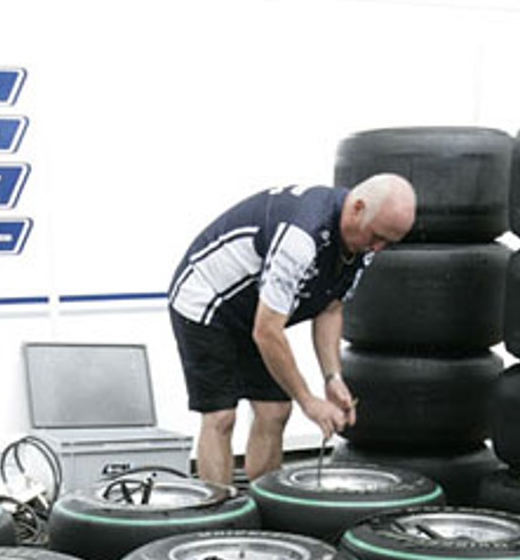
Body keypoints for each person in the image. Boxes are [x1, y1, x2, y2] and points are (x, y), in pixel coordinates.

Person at [169, 175, 417, 487]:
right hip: (205, 299)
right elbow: (268, 331)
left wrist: (332, 378)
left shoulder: (363, 242)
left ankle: (264, 504)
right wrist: (308, 401)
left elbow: (330, 308)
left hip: (254, 311)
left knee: (275, 410)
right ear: (357, 208)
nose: (378, 248)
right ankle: (218, 515)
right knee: (221, 416)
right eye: (377, 236)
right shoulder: (302, 237)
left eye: (388, 243)